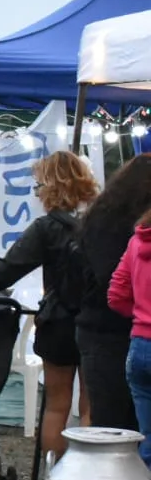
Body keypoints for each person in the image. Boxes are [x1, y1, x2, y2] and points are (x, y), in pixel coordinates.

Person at [0, 151, 97, 461]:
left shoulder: (45, 228)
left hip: (59, 323)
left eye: (38, 185)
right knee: (92, 405)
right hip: (97, 323)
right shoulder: (98, 224)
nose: (36, 191)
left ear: (52, 186)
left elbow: (7, 269)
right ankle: (90, 474)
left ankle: (56, 477)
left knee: (56, 403)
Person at [76, 155, 151, 431]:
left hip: (102, 330)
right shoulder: (135, 232)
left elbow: (113, 287)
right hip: (118, 333)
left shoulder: (99, 220)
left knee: (111, 426)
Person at [109, 210, 151, 467]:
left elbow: (116, 295)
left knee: (147, 441)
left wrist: (141, 316)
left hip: (139, 348)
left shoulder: (137, 241)